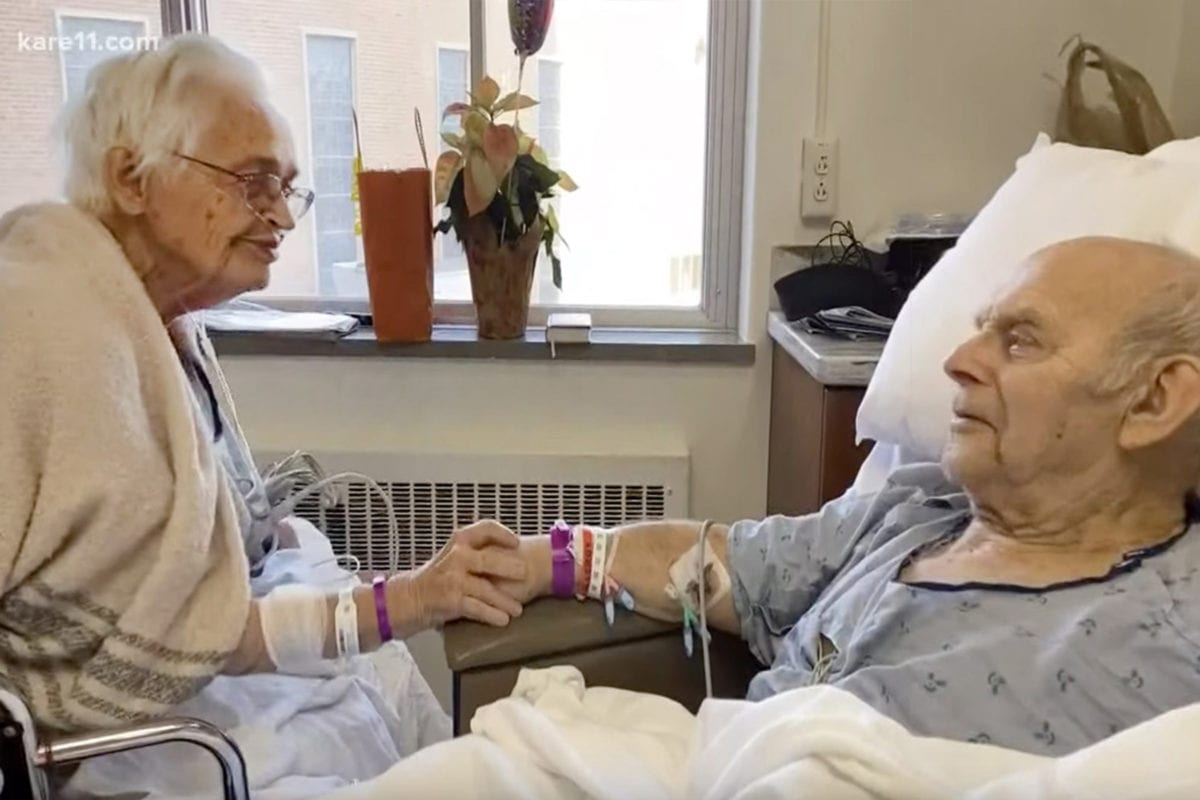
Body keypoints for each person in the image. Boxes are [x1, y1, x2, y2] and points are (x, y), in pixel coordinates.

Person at [0, 33, 526, 796]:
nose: (281, 214)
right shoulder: (43, 327)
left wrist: (271, 541)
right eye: (253, 182)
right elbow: (194, 626)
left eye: (287, 187)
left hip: (202, 688)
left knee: (422, 729)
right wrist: (416, 595)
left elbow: (191, 550)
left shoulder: (160, 322)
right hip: (124, 741)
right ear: (131, 178)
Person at [488, 236, 1200, 757]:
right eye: (981, 328)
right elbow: (721, 564)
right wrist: (546, 559)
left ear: (1154, 401)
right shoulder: (914, 513)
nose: (958, 360)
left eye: (1019, 342)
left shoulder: (1169, 645)